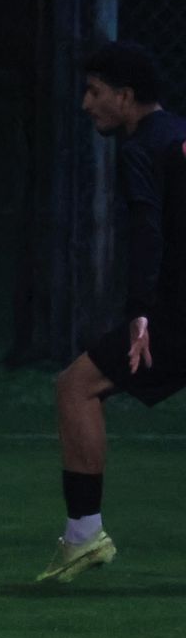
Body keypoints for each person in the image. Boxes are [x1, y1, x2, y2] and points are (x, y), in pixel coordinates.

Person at [39, 42, 186, 582]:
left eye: (95, 92)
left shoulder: (141, 148)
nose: (86, 104)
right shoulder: (178, 135)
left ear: (125, 97)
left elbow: (148, 230)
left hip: (174, 313)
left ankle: (83, 537)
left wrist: (141, 312)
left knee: (76, 387)